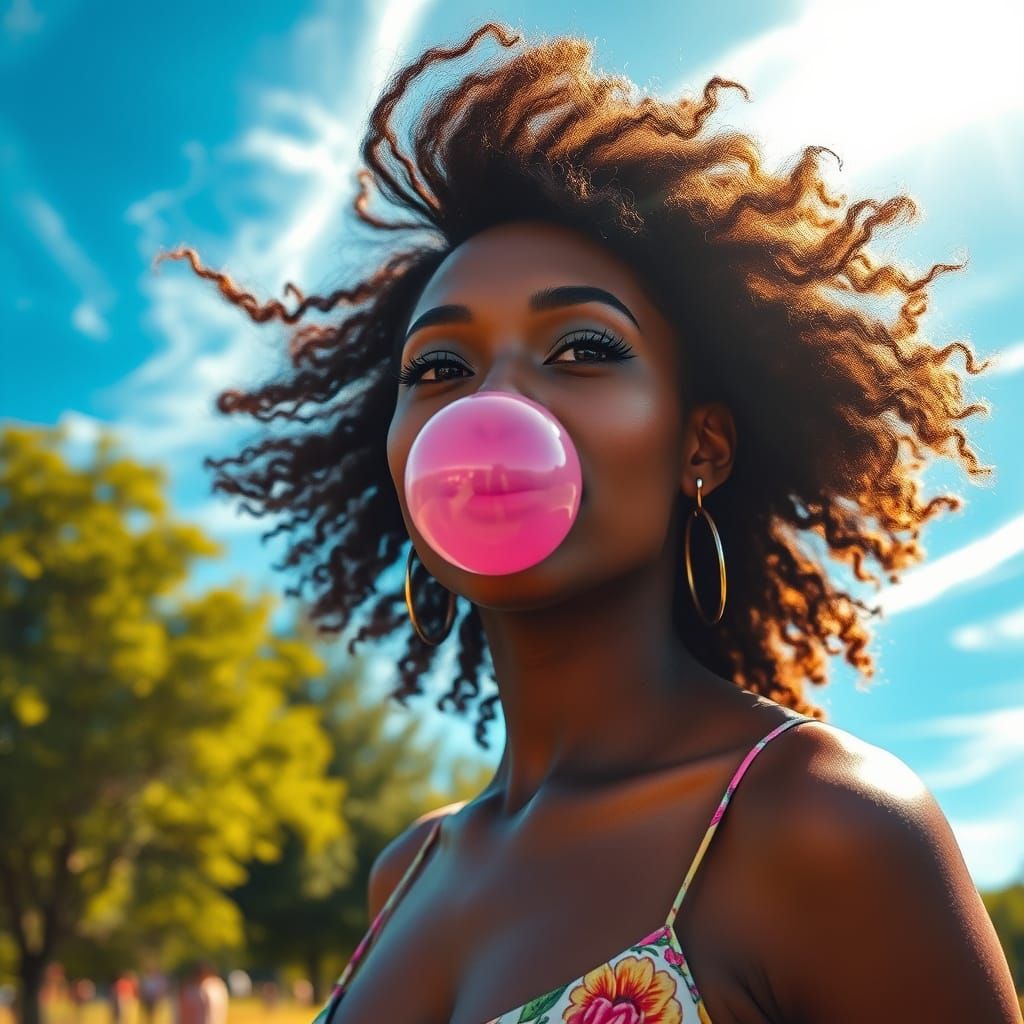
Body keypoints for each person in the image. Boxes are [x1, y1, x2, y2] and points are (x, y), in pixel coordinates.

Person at [158, 19, 1020, 1024]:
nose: (495, 408)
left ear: (699, 446)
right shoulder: (406, 869)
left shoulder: (823, 824)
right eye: (439, 368)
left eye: (580, 348)